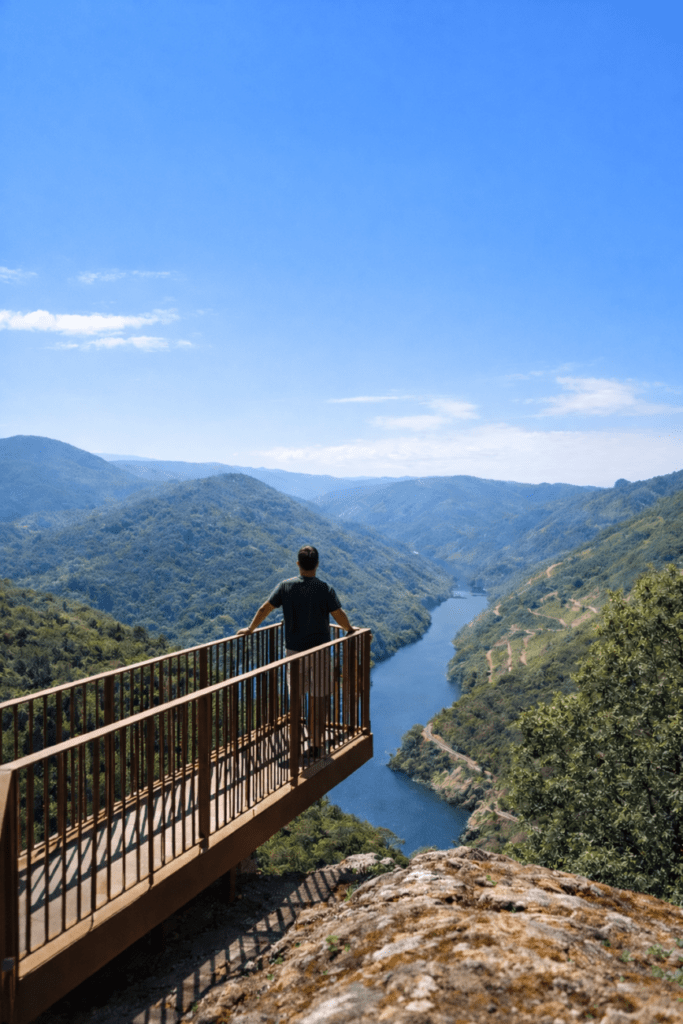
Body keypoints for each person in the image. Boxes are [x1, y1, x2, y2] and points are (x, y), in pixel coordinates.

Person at [237, 545, 355, 756]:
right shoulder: (325, 588)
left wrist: (250, 628)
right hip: (319, 653)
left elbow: (265, 608)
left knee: (297, 699)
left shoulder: (285, 586)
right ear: (317, 564)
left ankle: (295, 744)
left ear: (298, 564)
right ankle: (316, 744)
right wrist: (350, 630)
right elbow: (338, 613)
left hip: (294, 654)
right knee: (318, 700)